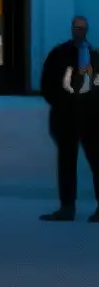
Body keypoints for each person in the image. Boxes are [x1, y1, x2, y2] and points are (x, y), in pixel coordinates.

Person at [38, 17, 99, 221]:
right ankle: (67, 207)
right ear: (72, 29)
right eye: (77, 28)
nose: (79, 31)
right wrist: (61, 103)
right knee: (67, 162)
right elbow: (47, 84)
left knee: (96, 161)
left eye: (82, 28)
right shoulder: (59, 55)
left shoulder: (94, 57)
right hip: (66, 117)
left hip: (90, 118)